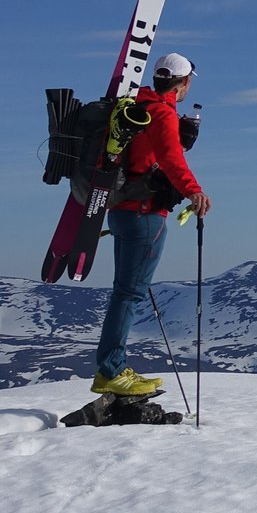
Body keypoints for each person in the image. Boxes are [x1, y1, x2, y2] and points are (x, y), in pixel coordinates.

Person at [90, 52, 212, 397]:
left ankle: (111, 368)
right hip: (145, 214)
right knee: (128, 294)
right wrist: (195, 192)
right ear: (184, 82)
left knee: (124, 291)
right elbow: (172, 160)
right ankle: (111, 370)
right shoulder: (162, 114)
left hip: (120, 210)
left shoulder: (135, 106)